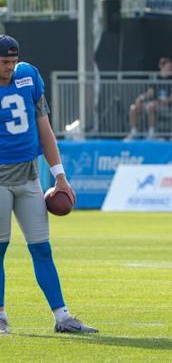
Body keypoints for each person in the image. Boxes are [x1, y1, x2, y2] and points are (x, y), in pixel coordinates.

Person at [0, 35, 97, 334]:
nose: (10, 68)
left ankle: (62, 317)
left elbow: (45, 130)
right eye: (4, 62)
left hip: (29, 176)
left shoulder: (28, 76)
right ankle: (0, 316)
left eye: (13, 61)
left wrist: (60, 176)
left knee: (42, 249)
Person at [126, 57, 172, 140]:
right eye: (168, 67)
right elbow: (150, 92)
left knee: (151, 106)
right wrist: (140, 98)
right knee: (133, 108)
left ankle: (152, 133)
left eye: (171, 67)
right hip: (154, 104)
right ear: (161, 67)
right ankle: (134, 132)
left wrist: (165, 101)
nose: (170, 69)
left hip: (165, 107)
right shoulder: (155, 78)